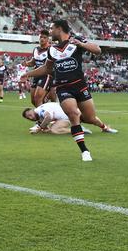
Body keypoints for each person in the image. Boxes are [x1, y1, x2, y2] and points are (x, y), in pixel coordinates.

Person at [21, 19, 118, 162]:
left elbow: (98, 50)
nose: (50, 32)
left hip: (80, 86)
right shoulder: (52, 50)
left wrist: (82, 44)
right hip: (63, 87)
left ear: (59, 29)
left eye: (52, 29)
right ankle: (84, 151)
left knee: (90, 118)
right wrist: (27, 74)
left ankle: (102, 127)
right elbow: (46, 69)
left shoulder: (76, 40)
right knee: (73, 114)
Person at [24, 30, 55, 107]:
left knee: (38, 99)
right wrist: (27, 63)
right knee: (33, 101)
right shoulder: (36, 49)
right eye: (41, 37)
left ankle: (42, 118)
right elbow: (33, 62)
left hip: (46, 75)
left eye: (44, 37)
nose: (42, 39)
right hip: (36, 75)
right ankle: (46, 110)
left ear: (48, 39)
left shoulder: (51, 49)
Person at [22, 102, 92, 135]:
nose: (31, 118)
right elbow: (45, 124)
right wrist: (43, 129)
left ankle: (79, 130)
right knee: (52, 128)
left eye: (30, 115)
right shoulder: (39, 111)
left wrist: (39, 128)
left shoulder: (40, 111)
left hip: (70, 117)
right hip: (70, 113)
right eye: (28, 118)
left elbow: (48, 117)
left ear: (32, 110)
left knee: (55, 130)